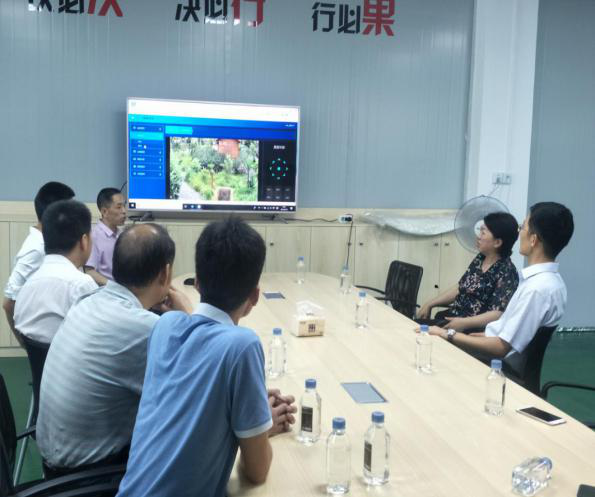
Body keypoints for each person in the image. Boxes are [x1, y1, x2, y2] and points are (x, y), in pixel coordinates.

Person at [116, 217, 297, 497]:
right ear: (254, 297)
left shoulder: (165, 326)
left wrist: (252, 406)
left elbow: (199, 383)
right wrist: (261, 428)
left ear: (197, 283)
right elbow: (257, 471)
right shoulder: (242, 346)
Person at [37, 223, 193, 477]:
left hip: (55, 465)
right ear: (165, 273)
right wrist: (188, 314)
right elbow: (199, 387)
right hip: (91, 476)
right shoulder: (147, 328)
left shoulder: (87, 301)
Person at [418, 202, 574, 368]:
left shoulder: (536, 289)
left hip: (496, 365)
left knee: (424, 347)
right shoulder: (550, 282)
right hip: (487, 345)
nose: (519, 232)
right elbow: (506, 332)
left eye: (522, 227)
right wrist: (478, 335)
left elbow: (500, 348)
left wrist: (448, 334)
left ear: (533, 239)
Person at [416, 212, 519, 333]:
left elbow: (497, 314)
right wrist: (430, 303)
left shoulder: (507, 272)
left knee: (416, 330)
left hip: (471, 331)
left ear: (497, 242)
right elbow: (461, 287)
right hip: (452, 319)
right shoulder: (480, 258)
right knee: (412, 326)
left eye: (483, 232)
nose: (478, 236)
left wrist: (463, 323)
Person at [14, 200, 97, 344]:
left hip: (36, 359)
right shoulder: (82, 285)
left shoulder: (28, 285)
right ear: (84, 241)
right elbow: (98, 336)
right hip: (71, 358)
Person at [2, 182, 75, 345]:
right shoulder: (37, 248)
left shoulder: (48, 242)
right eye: (71, 213)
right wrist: (25, 343)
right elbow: (8, 303)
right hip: (44, 343)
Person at [85, 187, 127, 285]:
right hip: (107, 289)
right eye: (119, 207)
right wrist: (113, 286)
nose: (124, 211)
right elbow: (89, 271)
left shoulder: (122, 234)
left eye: (124, 206)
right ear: (104, 211)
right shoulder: (94, 236)